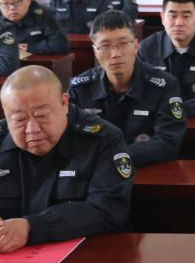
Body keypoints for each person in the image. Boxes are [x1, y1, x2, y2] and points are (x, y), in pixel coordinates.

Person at [0, 66, 132, 251]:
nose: (32, 129)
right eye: (19, 119)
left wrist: (32, 227)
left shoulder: (102, 140)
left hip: (82, 259)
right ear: (5, 113)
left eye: (41, 116)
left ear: (64, 103)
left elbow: (107, 209)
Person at [69, 11, 186, 167]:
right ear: (96, 52)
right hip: (96, 173)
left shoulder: (165, 85)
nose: (115, 54)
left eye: (123, 44)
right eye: (105, 46)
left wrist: (113, 156)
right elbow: (68, 139)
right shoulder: (80, 89)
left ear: (136, 46)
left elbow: (168, 142)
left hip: (145, 171)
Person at [0, 0, 69, 55]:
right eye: (5, 3)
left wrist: (29, 48)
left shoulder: (44, 14)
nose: (12, 7)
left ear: (28, 0)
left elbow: (61, 45)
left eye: (17, 2)